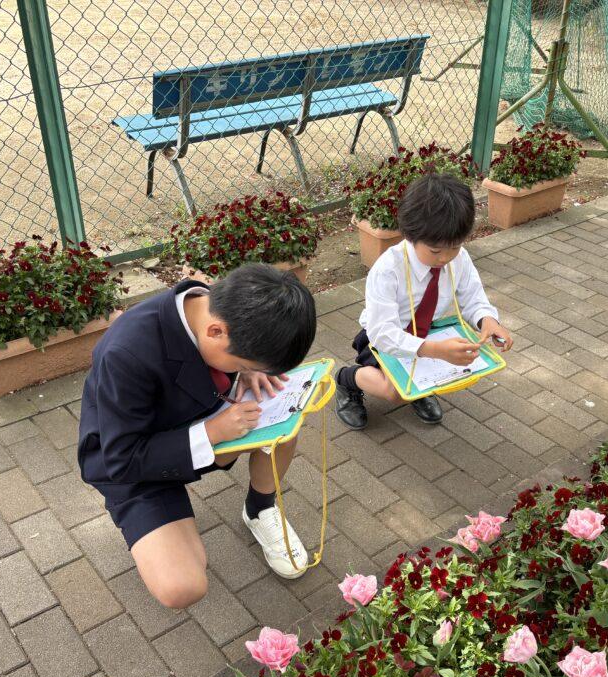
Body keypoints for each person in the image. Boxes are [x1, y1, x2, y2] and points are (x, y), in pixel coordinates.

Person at [77, 265, 317, 609]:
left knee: (283, 422)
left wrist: (246, 373)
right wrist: (211, 432)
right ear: (216, 332)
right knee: (183, 587)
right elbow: (122, 459)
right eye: (244, 364)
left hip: (199, 419)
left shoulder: (217, 308)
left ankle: (260, 508)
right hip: (133, 460)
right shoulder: (125, 353)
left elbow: (226, 356)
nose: (246, 372)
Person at [334, 173, 513, 429]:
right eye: (435, 250)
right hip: (385, 337)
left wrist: (487, 320)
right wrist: (435, 351)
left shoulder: (460, 259)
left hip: (428, 332)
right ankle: (346, 380)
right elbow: (382, 333)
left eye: (455, 247)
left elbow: (473, 297)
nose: (446, 258)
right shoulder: (388, 269)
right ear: (411, 236)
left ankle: (421, 387)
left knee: (427, 377)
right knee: (394, 392)